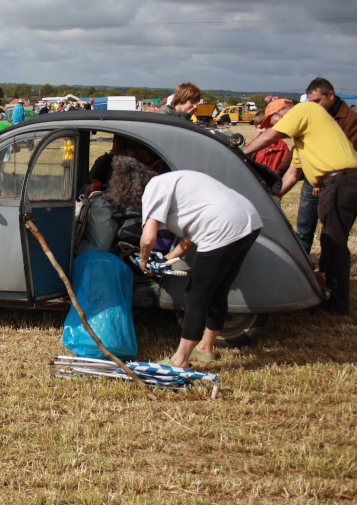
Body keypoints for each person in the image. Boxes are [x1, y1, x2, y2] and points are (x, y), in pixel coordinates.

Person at [108, 156, 263, 368]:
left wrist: (144, 261)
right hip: (249, 221)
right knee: (218, 288)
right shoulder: (173, 181)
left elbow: (149, 237)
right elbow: (192, 232)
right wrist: (170, 257)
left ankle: (180, 360)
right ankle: (205, 348)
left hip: (223, 226)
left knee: (196, 294)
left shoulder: (153, 189)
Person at [243, 99, 357, 315]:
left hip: (341, 180)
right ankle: (327, 292)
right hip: (343, 181)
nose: (273, 128)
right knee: (329, 239)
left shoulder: (305, 109)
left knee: (334, 243)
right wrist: (272, 198)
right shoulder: (305, 141)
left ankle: (336, 304)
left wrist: (241, 154)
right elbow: (292, 175)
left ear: (282, 115)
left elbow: (271, 137)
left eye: (274, 123)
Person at [294, 78, 357, 255]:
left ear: (331, 95)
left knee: (332, 231)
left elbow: (347, 150)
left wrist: (321, 181)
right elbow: (298, 148)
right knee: (304, 224)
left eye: (318, 101)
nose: (315, 106)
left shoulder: (351, 119)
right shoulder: (312, 115)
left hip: (334, 179)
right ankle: (304, 262)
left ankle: (329, 269)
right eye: (311, 102)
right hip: (313, 179)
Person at [249, 109, 291, 175]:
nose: (264, 130)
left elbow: (285, 165)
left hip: (274, 179)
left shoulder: (282, 146)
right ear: (256, 127)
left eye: (268, 127)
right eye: (260, 127)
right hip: (256, 179)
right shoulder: (253, 145)